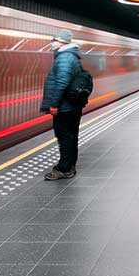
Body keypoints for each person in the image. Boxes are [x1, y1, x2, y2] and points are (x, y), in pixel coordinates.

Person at [39, 28, 85, 180]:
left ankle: (64, 169)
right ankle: (69, 166)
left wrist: (54, 104)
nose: (52, 43)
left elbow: (62, 82)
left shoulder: (64, 57)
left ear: (61, 42)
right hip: (72, 105)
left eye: (54, 40)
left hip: (65, 107)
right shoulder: (71, 56)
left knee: (64, 137)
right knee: (71, 136)